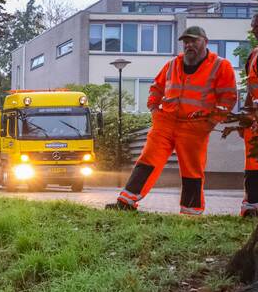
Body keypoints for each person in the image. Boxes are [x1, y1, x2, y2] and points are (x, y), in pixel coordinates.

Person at [107, 26, 237, 214]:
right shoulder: (172, 65)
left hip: (195, 127)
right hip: (165, 122)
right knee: (147, 160)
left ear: (205, 42)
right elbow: (156, 88)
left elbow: (228, 98)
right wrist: (154, 109)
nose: (189, 45)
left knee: (192, 169)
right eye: (186, 42)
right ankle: (126, 202)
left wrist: (210, 122)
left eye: (194, 41)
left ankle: (191, 211)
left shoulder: (220, 66)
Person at [239, 13, 258, 217]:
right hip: (254, 120)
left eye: (257, 26)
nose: (253, 30)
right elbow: (250, 90)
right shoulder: (253, 55)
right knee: (252, 164)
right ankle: (251, 205)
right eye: (253, 26)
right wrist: (244, 117)